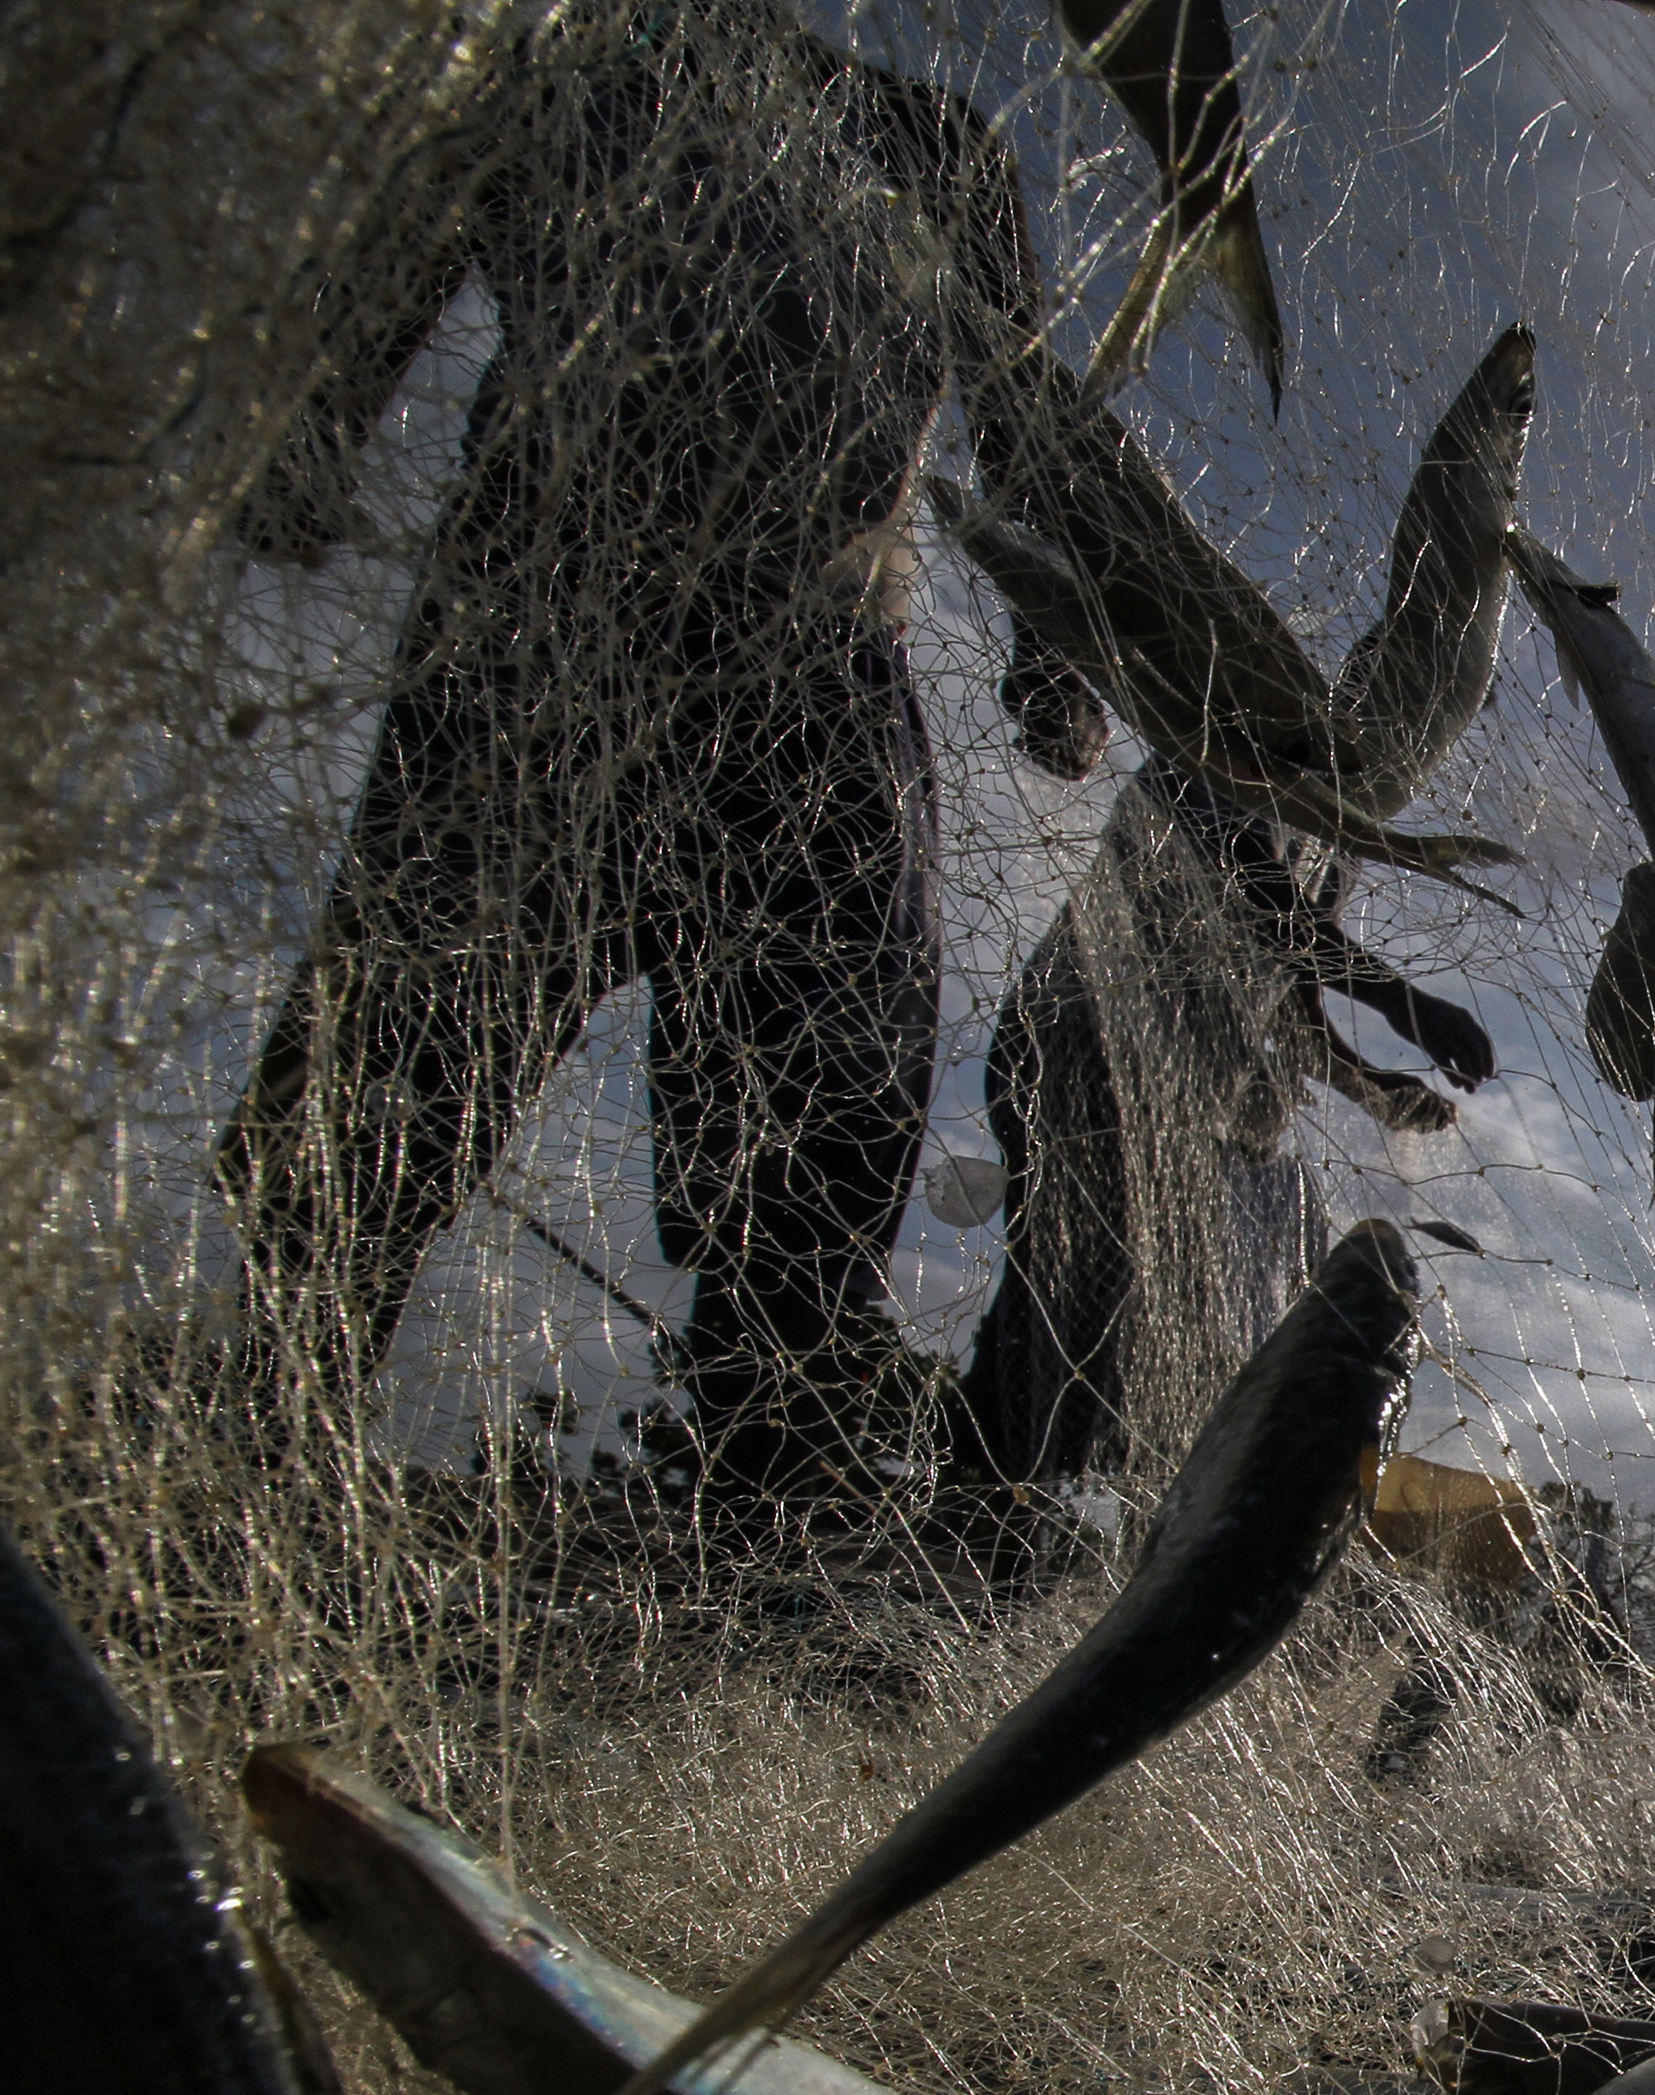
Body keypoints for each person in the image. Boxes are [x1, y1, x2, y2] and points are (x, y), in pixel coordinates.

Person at [218, 0, 1171, 1516]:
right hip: (537, 657)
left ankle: (767, 1510)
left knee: (828, 1121)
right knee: (386, 1084)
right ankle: (263, 1444)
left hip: (817, 689)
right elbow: (396, 259)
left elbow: (1019, 415)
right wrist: (314, 430)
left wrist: (1055, 653)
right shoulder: (559, 75)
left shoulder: (934, 148)